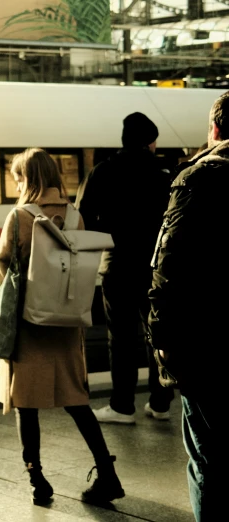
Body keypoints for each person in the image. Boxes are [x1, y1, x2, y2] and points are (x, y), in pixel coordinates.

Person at [0, 148, 124, 505]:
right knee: (77, 401)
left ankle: (38, 480)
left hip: (29, 324)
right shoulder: (75, 217)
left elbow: (4, 266)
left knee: (26, 404)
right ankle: (107, 472)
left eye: (19, 177)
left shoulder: (20, 216)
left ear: (28, 178)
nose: (17, 184)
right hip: (67, 325)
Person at [148, 92, 229, 521]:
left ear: (215, 130)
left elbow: (169, 265)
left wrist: (161, 338)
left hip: (209, 342)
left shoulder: (201, 177)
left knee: (209, 457)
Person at [77, 112, 175, 424]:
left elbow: (84, 218)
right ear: (150, 141)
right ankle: (160, 403)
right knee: (156, 334)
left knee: (120, 338)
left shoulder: (103, 171)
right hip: (154, 268)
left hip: (116, 265)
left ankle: (122, 406)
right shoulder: (163, 174)